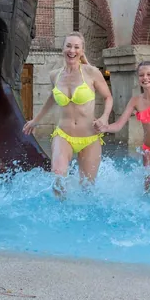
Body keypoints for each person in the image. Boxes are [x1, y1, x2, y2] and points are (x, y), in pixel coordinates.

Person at [23, 32, 112, 198]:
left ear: (82, 51)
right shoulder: (54, 75)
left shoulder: (91, 72)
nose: (72, 50)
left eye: (76, 47)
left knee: (88, 188)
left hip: (90, 138)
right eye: (69, 46)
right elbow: (52, 98)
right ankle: (59, 215)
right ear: (63, 49)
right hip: (63, 135)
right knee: (58, 176)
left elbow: (108, 97)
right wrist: (36, 120)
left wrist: (104, 117)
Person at [96, 61, 150, 192]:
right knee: (148, 190)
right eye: (141, 75)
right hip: (148, 151)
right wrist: (104, 128)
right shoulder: (135, 101)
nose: (145, 77)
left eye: (149, 74)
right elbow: (118, 125)